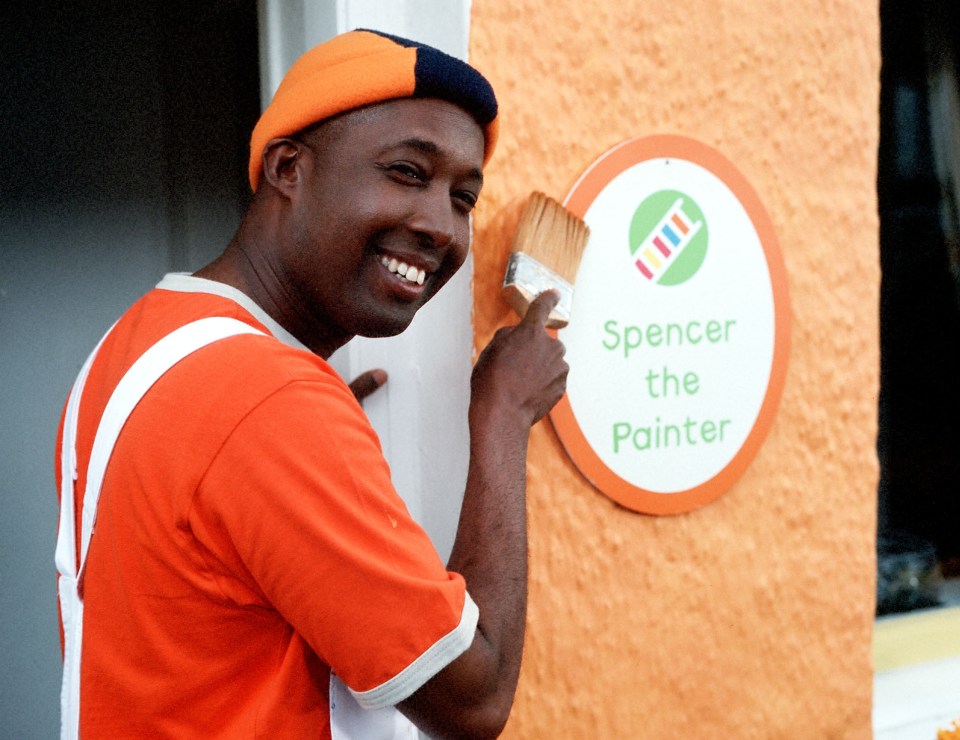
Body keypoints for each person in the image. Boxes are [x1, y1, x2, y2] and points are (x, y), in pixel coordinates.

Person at [54, 28, 568, 740]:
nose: (439, 227)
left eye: (464, 197)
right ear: (288, 169)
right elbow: (472, 701)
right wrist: (503, 414)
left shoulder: (143, 338)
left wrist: (301, 455)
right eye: (407, 172)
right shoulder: (268, 403)